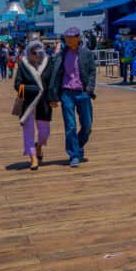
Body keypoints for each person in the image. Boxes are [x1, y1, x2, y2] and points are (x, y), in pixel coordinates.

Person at [50, 27, 97, 168]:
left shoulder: (86, 53)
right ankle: (74, 155)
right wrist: (53, 96)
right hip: (67, 93)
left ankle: (78, 145)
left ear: (78, 38)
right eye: (66, 37)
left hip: (83, 92)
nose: (68, 39)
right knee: (70, 126)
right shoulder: (61, 54)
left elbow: (92, 72)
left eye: (71, 37)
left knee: (87, 125)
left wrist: (89, 90)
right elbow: (53, 73)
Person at [15, 41, 54, 171]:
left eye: (38, 52)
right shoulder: (23, 65)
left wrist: (54, 97)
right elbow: (17, 85)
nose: (36, 54)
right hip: (28, 104)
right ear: (29, 52)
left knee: (45, 132)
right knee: (28, 133)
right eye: (33, 52)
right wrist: (35, 89)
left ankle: (39, 146)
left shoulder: (48, 63)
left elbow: (53, 82)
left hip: (44, 103)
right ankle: (33, 158)